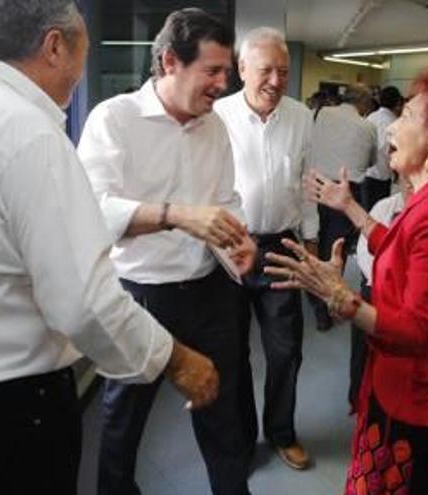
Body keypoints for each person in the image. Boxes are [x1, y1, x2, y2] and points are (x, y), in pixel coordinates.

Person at [0, 1, 218, 493]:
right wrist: (178, 361)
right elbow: (84, 303)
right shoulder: (29, 134)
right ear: (54, 46)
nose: (77, 77)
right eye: (81, 55)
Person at [266, 61, 428, 494]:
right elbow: (404, 249)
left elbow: (418, 328)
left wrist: (341, 297)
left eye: (408, 116)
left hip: (417, 392)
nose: (391, 128)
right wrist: (352, 208)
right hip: (405, 382)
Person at [76, 8, 256, 495]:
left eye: (227, 71)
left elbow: (225, 200)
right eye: (213, 71)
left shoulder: (215, 127)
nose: (223, 84)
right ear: (170, 61)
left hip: (208, 289)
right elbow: (93, 209)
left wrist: (239, 240)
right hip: (140, 295)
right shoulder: (114, 119)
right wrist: (175, 213)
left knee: (222, 413)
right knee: (123, 420)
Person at [213, 26, 316, 470]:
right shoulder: (216, 114)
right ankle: (239, 439)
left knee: (285, 350)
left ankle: (280, 432)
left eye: (284, 71)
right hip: (229, 247)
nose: (276, 80)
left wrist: (310, 237)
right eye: (266, 70)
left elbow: (306, 180)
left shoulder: (300, 116)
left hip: (281, 247)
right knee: (232, 352)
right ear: (241, 70)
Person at [308, 85, 377, 330]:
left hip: (315, 184)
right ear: (364, 102)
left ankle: (317, 302)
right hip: (346, 190)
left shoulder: (322, 113)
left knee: (314, 241)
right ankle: (328, 304)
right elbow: (372, 162)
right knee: (336, 248)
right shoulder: (367, 126)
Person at [348, 176, 411, 406]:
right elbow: (365, 253)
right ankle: (357, 397)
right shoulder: (384, 207)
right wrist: (384, 282)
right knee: (361, 341)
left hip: (410, 293)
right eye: (407, 181)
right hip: (377, 285)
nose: (411, 185)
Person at [362, 86, 403, 211]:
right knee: (379, 215)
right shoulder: (396, 123)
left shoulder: (370, 118)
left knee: (366, 212)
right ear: (398, 103)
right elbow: (390, 151)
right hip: (382, 177)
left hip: (365, 174)